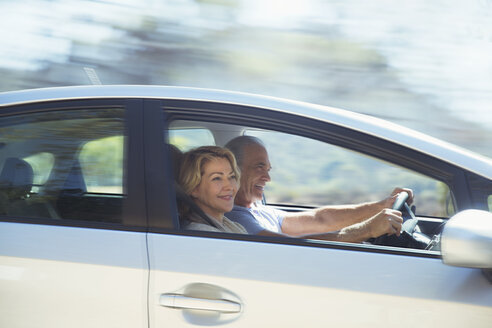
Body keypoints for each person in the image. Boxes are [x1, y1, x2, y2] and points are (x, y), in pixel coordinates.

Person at [225, 136, 413, 243]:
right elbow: (285, 245)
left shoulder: (257, 210)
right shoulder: (235, 217)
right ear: (234, 170)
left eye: (268, 170)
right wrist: (367, 229)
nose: (267, 178)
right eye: (259, 167)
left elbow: (320, 219)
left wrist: (381, 206)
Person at [177, 145, 247, 234]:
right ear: (194, 188)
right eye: (217, 178)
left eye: (232, 177)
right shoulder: (203, 233)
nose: (229, 187)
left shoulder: (234, 226)